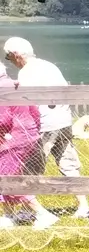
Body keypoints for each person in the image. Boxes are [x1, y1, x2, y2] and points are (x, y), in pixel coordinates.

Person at [5, 38, 89, 219]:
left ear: (16, 55)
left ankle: (30, 212)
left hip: (45, 124)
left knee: (30, 168)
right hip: (64, 120)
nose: (10, 61)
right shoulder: (49, 66)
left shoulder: (27, 73)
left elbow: (28, 103)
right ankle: (84, 207)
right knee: (68, 164)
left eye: (9, 57)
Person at [0, 91, 56, 229]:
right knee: (6, 174)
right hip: (27, 135)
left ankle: (42, 213)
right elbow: (35, 111)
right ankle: (8, 215)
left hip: (11, 139)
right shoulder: (16, 86)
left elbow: (3, 120)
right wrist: (32, 130)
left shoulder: (2, 89)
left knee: (7, 178)